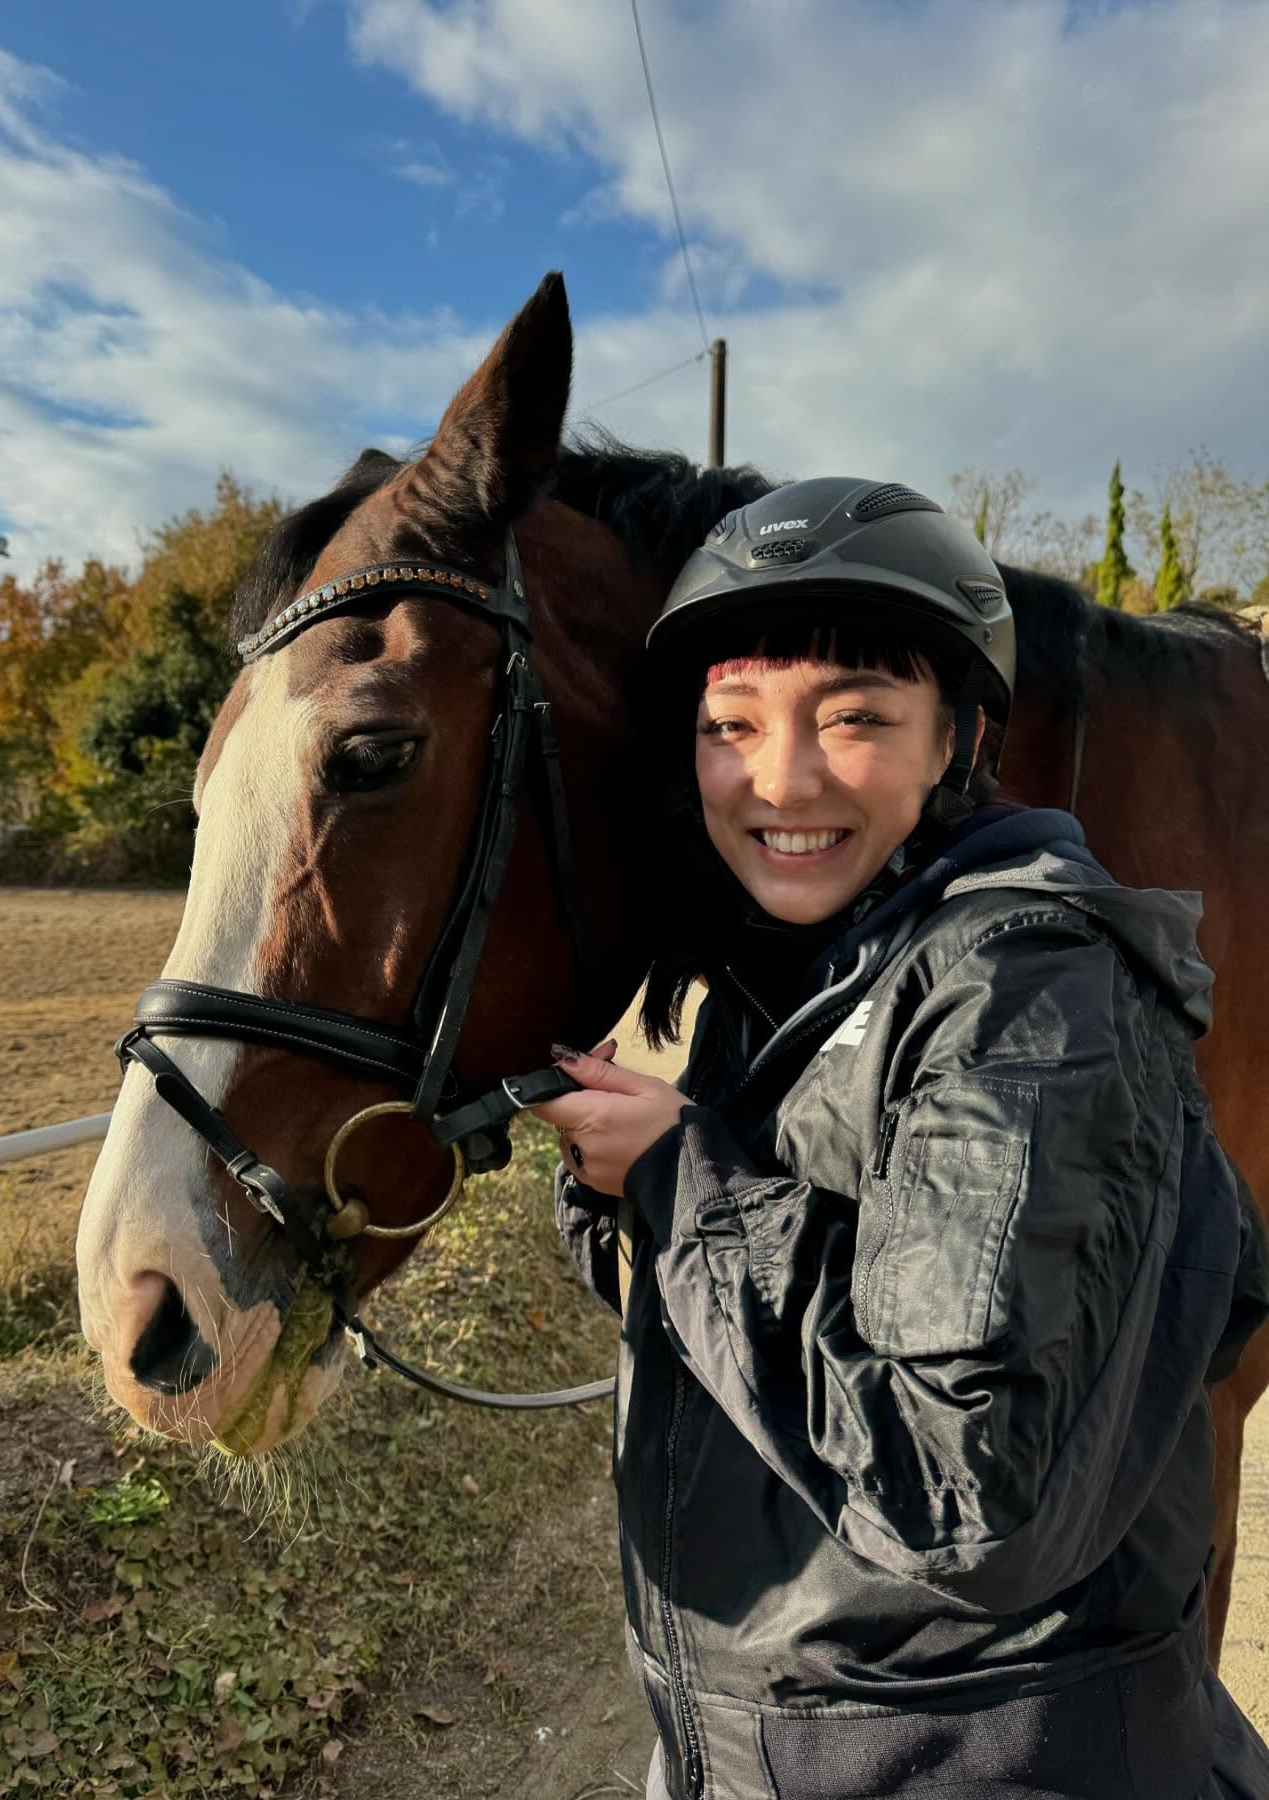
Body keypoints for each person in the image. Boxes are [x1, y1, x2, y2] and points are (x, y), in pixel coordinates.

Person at [532, 478, 1269, 1800]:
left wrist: (680, 1181)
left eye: (855, 719)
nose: (781, 778)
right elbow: (738, 1340)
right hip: (787, 1744)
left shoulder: (1030, 991)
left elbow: (958, 1488)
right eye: (731, 725)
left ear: (959, 744)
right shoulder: (801, 973)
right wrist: (629, 1193)